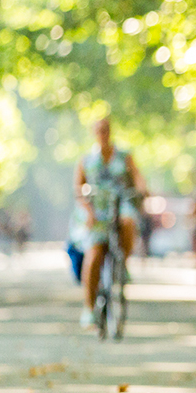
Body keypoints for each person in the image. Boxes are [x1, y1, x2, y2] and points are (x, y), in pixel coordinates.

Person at [75, 117, 148, 326]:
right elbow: (78, 191)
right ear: (93, 133)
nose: (103, 134)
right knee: (94, 256)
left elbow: (137, 177)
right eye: (99, 130)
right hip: (96, 209)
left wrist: (143, 190)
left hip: (120, 202)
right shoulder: (86, 160)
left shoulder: (124, 156)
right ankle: (89, 309)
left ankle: (122, 262)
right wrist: (88, 212)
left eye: (106, 130)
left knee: (127, 221)